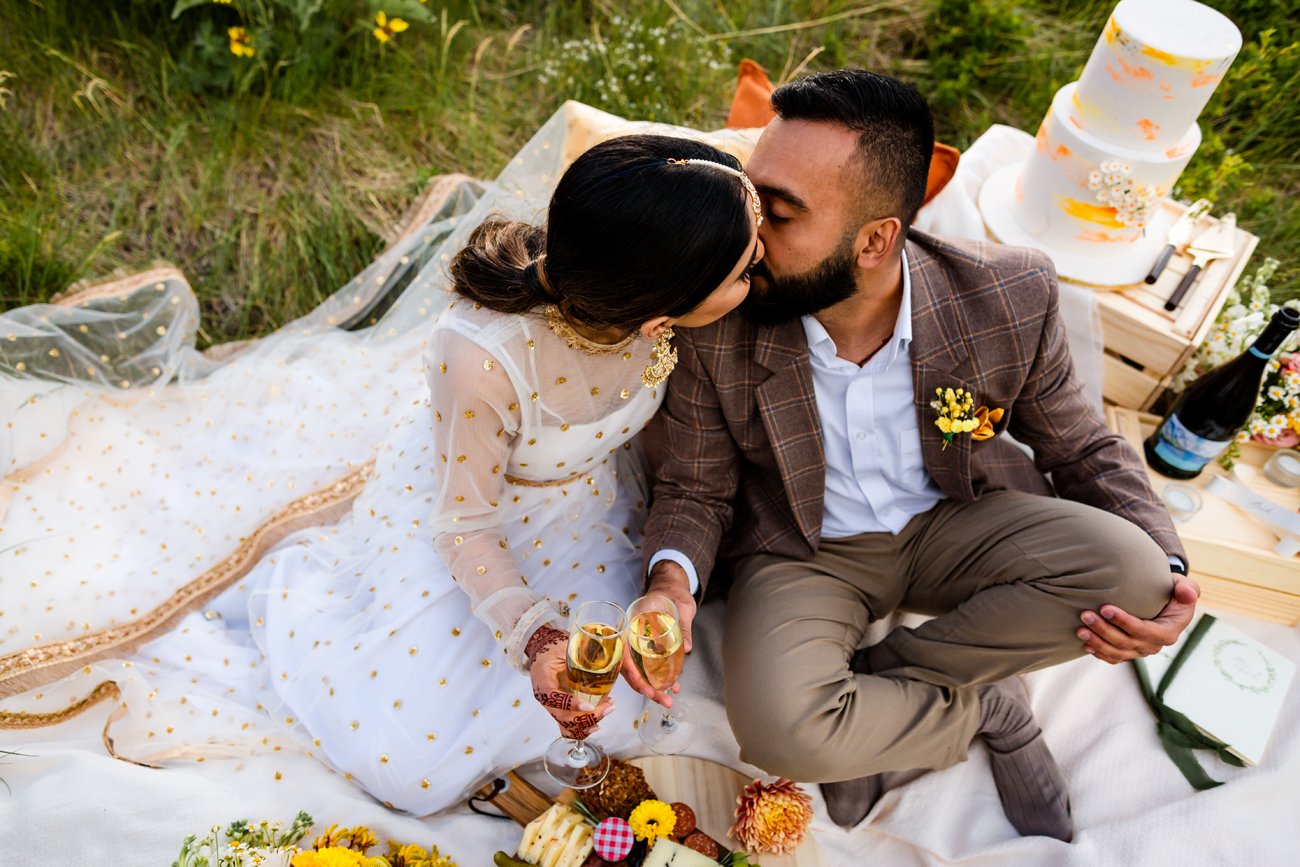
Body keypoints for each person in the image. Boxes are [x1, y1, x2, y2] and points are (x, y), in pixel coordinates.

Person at [6, 133, 762, 815]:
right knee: (409, 766)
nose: (757, 272)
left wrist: (667, 579)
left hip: (588, 507)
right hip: (472, 522)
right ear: (660, 299)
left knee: (622, 706)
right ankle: (294, 588)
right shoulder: (482, 356)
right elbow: (465, 524)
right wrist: (533, 638)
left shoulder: (676, 318)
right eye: (742, 269)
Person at [631, 70, 1200, 843]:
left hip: (957, 519)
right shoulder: (722, 311)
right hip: (806, 550)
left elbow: (1083, 447)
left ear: (874, 240)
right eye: (750, 199)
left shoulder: (1008, 294)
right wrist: (670, 585)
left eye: (780, 215)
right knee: (778, 736)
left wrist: (1170, 573)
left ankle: (874, 695)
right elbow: (695, 487)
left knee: (1135, 575)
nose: (748, 235)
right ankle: (984, 707)